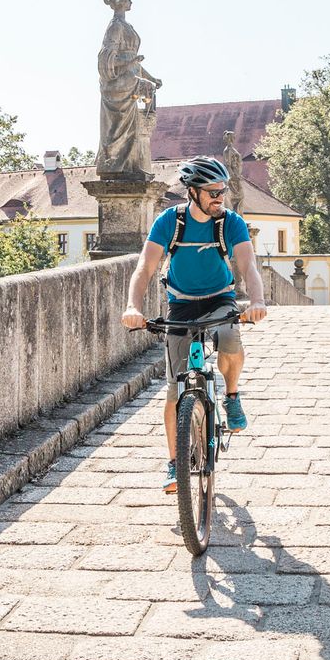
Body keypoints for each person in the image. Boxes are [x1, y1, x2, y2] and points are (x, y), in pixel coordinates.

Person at [121, 156, 268, 493]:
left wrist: (257, 301)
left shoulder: (229, 222)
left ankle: (231, 395)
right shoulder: (169, 222)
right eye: (213, 191)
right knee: (174, 389)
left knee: (231, 339)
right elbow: (144, 268)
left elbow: (248, 266)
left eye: (223, 190)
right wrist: (133, 306)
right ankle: (174, 462)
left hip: (220, 298)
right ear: (192, 192)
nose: (221, 197)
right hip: (181, 305)